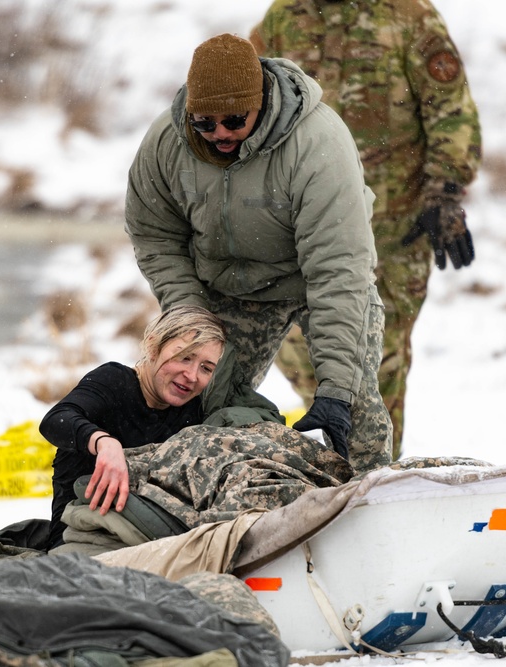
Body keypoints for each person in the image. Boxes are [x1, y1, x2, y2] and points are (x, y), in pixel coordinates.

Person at [125, 33, 392, 474]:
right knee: (208, 403)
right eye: (205, 124)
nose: (220, 134)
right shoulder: (166, 143)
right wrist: (191, 317)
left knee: (354, 410)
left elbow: (337, 270)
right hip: (228, 286)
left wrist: (336, 391)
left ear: (262, 102)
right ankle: (230, 500)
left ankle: (372, 500)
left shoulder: (318, 143)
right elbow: (154, 234)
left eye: (233, 120)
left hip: (316, 281)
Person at [250, 0, 482, 454]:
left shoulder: (409, 17)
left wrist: (444, 192)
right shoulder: (284, 17)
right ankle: (342, 458)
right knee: (299, 349)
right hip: (307, 227)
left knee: (376, 362)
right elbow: (250, 104)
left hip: (394, 232)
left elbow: (451, 110)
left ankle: (374, 478)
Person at [39, 305, 226, 549]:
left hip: (155, 543)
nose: (191, 375)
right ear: (153, 347)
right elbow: (56, 419)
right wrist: (104, 443)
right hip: (80, 538)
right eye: (184, 357)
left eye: (206, 368)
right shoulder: (114, 381)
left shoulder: (194, 410)